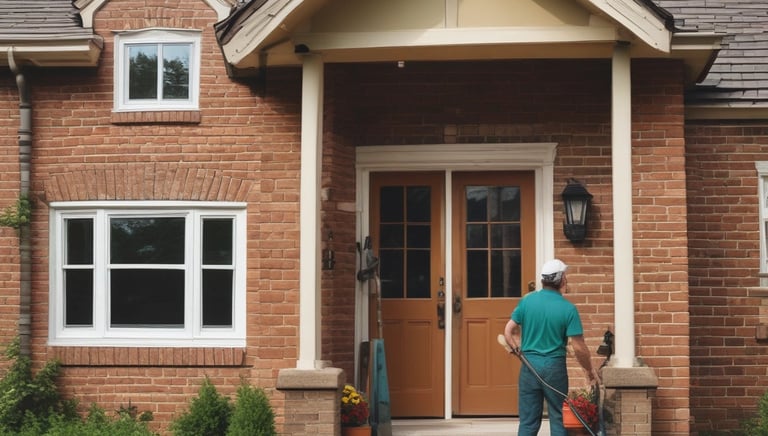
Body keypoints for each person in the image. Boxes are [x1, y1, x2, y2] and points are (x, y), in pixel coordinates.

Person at [503, 259, 600, 436]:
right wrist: (589, 371)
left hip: (529, 366)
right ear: (562, 279)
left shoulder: (527, 301)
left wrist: (517, 349)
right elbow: (579, 347)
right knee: (557, 418)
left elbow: (508, 330)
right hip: (554, 368)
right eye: (565, 276)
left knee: (528, 422)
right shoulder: (568, 309)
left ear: (543, 280)